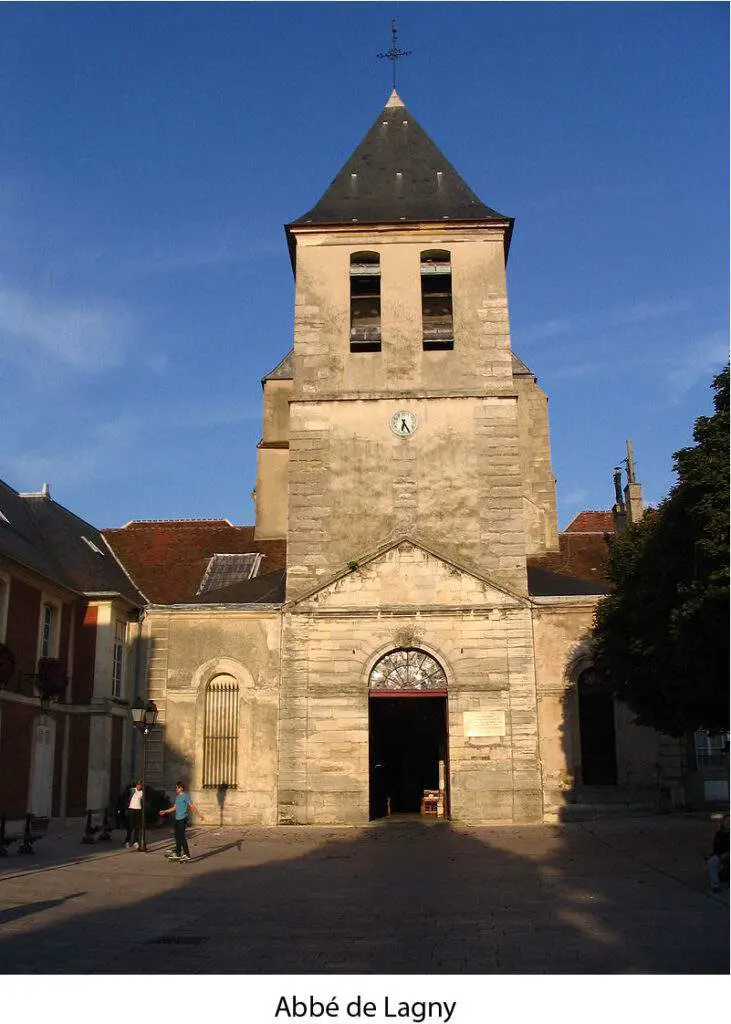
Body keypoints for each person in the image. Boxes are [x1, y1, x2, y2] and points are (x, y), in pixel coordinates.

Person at [159, 781, 204, 861]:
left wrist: (199, 815)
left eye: (177, 787)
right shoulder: (177, 797)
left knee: (182, 836)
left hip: (183, 819)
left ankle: (187, 854)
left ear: (182, 788)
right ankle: (178, 853)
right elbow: (174, 808)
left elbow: (191, 806)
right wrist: (165, 811)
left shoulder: (185, 796)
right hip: (177, 819)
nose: (176, 789)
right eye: (176, 787)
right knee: (177, 836)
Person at [708, 814, 729, 893]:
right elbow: (716, 847)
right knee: (712, 862)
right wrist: (719, 854)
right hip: (722, 855)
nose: (728, 823)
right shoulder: (720, 834)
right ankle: (715, 885)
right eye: (726, 821)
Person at [126, 781, 144, 849]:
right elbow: (126, 798)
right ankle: (127, 841)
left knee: (137, 826)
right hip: (131, 809)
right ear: (136, 785)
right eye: (138, 785)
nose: (139, 786)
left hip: (138, 810)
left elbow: (143, 801)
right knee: (130, 826)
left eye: (140, 785)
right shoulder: (132, 790)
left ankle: (135, 841)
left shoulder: (142, 792)